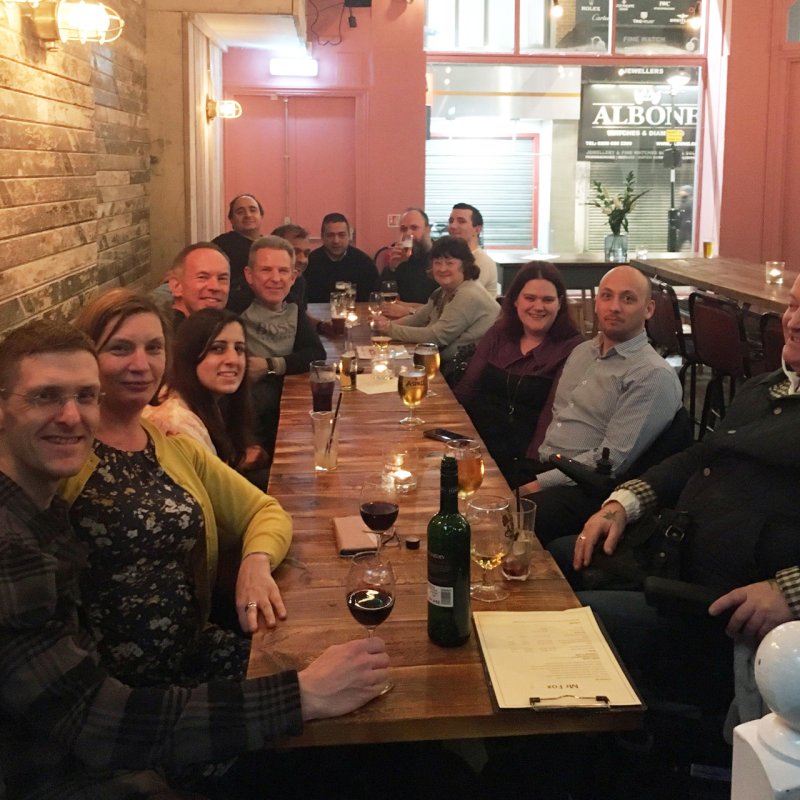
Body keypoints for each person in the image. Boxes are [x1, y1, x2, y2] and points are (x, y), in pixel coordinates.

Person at [0, 319, 389, 800]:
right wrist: (300, 695)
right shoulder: (12, 548)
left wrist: (255, 565)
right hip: (101, 760)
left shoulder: (48, 504)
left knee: (363, 694)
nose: (71, 416)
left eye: (85, 396)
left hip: (172, 681)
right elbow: (95, 722)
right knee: (374, 760)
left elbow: (264, 511)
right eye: (44, 397)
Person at [547, 271, 800, 708]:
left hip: (717, 604)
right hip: (669, 553)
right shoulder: (763, 388)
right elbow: (700, 456)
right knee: (555, 555)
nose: (793, 321)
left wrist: (790, 592)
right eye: (793, 305)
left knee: (571, 626)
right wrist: (622, 503)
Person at [61, 289, 292, 691]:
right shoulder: (63, 454)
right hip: (113, 691)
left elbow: (265, 511)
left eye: (153, 348)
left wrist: (255, 564)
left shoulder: (172, 445)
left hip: (194, 652)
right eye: (120, 348)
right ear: (86, 359)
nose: (141, 364)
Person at [520, 265, 683, 543]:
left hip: (589, 488)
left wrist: (537, 484)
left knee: (501, 517)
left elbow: (612, 461)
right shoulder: (582, 352)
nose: (614, 307)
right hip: (544, 466)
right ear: (596, 303)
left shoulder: (652, 375)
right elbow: (559, 418)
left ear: (649, 309)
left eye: (628, 299)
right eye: (607, 296)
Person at [455, 262, 584, 486]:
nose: (538, 307)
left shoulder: (573, 348)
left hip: (524, 459)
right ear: (515, 300)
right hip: (476, 446)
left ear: (560, 303)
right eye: (530, 298)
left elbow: (551, 415)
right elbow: (468, 388)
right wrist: (449, 429)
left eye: (547, 300)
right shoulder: (498, 333)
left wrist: (529, 475)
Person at [371, 235, 500, 385]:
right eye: (437, 263)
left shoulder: (468, 293)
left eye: (449, 263)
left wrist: (389, 329)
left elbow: (436, 337)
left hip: (467, 377)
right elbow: (419, 319)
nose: (442, 268)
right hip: (447, 367)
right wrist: (383, 325)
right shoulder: (443, 291)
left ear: (465, 265)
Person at [241, 235, 326, 456]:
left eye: (283, 271)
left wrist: (270, 365)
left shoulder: (292, 309)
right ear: (249, 275)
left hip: (286, 413)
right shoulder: (236, 309)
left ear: (293, 277)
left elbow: (316, 354)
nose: (276, 278)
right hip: (250, 424)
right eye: (266, 270)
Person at [143, 307, 255, 467]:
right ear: (190, 354)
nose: (233, 360)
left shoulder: (208, 402)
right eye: (217, 348)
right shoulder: (177, 422)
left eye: (239, 349)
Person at [304, 212, 378, 303]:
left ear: (349, 236)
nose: (336, 241)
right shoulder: (309, 263)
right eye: (330, 235)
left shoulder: (364, 264)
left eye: (341, 235)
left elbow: (374, 299)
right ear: (322, 237)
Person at [213, 193, 265, 313]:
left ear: (261, 215)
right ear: (231, 220)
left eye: (253, 210)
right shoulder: (221, 244)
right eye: (240, 212)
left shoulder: (271, 245)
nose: (248, 215)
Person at [379, 207, 437, 311]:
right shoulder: (399, 256)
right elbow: (379, 297)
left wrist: (409, 310)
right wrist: (391, 268)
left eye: (414, 228)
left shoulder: (440, 256)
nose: (408, 233)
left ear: (427, 230)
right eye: (403, 229)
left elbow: (441, 305)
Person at [168, 242, 231, 329]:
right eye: (203, 277)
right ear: (176, 286)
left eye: (222, 278)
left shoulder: (231, 331)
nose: (215, 287)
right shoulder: (160, 333)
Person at [447, 202, 498, 296]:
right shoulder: (449, 259)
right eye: (451, 221)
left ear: (477, 230)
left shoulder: (482, 262)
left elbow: (461, 298)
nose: (453, 226)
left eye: (461, 221)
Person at [272, 223, 311, 310]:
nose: (303, 260)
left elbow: (301, 315)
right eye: (295, 252)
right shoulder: (261, 284)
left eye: (306, 254)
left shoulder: (299, 281)